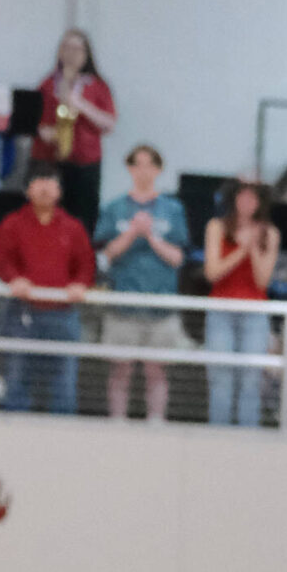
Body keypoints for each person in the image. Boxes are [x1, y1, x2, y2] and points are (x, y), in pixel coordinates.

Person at [94, 145, 189, 423]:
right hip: (123, 302)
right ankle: (117, 421)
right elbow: (104, 255)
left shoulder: (172, 209)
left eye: (150, 164)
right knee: (120, 369)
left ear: (158, 170)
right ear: (130, 168)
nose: (144, 170)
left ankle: (156, 421)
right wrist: (132, 232)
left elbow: (178, 257)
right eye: (138, 164)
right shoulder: (114, 207)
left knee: (156, 369)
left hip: (160, 303)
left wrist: (150, 237)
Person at [0, 166, 94, 414]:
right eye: (39, 182)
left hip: (63, 315)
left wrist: (80, 283)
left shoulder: (72, 227)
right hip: (22, 313)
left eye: (51, 183)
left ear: (60, 191)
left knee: (64, 381)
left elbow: (86, 263)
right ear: (28, 189)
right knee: (17, 376)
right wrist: (14, 279)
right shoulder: (12, 224)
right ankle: (13, 435)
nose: (45, 188)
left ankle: (64, 438)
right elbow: (0, 259)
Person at [203, 180, 279, 429]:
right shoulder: (217, 227)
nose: (247, 203)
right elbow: (212, 272)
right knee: (221, 378)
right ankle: (218, 435)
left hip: (255, 313)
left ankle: (249, 439)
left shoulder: (270, 233)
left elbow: (262, 280)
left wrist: (254, 247)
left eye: (253, 198)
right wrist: (240, 250)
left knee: (251, 380)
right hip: (221, 310)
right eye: (242, 197)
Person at [30, 29, 115, 234]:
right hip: (49, 163)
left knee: (82, 221)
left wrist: (80, 103)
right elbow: (31, 120)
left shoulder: (97, 85)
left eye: (77, 48)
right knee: (46, 220)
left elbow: (109, 123)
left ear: (87, 54)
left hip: (85, 164)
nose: (71, 53)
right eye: (66, 47)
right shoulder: (48, 84)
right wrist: (42, 131)